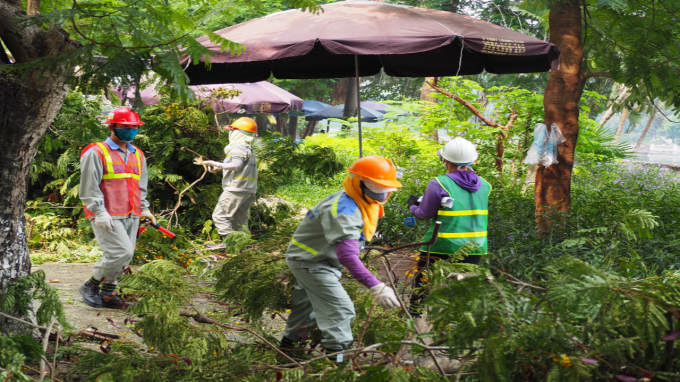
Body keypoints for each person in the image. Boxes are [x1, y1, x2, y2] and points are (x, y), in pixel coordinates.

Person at [279, 155, 403, 363]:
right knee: (341, 311)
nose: (384, 193)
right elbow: (347, 255)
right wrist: (376, 286)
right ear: (359, 183)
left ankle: (287, 358)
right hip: (312, 263)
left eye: (386, 187)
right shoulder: (345, 210)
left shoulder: (359, 199)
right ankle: (335, 366)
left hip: (316, 259)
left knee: (304, 311)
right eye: (378, 187)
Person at [79, 106, 155, 310]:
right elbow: (89, 186)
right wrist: (99, 212)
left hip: (131, 213)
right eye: (126, 126)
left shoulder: (137, 154)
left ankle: (109, 294)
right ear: (112, 127)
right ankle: (90, 285)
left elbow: (141, 186)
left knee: (124, 256)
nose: (131, 131)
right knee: (121, 252)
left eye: (135, 127)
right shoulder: (96, 152)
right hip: (107, 214)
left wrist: (145, 209)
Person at [407, 137, 491, 318]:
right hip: (475, 246)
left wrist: (413, 206)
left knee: (422, 285)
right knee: (467, 291)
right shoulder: (485, 185)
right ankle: (464, 327)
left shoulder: (438, 183)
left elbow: (425, 214)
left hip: (441, 244)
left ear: (446, 160)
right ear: (471, 161)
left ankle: (413, 322)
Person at [195, 117, 258, 247]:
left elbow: (236, 166)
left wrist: (214, 163)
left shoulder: (238, 149)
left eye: (232, 130)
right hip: (248, 190)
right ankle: (242, 244)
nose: (230, 133)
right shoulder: (248, 150)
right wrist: (218, 168)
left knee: (220, 215)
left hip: (236, 189)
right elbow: (237, 166)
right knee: (240, 220)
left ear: (238, 133)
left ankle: (229, 244)